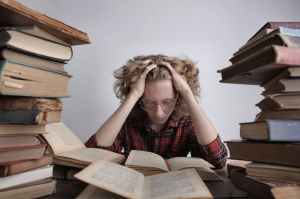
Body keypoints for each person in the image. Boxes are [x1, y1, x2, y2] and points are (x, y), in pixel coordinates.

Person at [86, 54, 227, 169]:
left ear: (177, 98)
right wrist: (133, 95)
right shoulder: (128, 119)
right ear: (140, 99)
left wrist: (187, 93)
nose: (159, 113)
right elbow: (93, 156)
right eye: (150, 102)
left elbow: (217, 161)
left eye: (167, 102)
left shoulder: (187, 121)